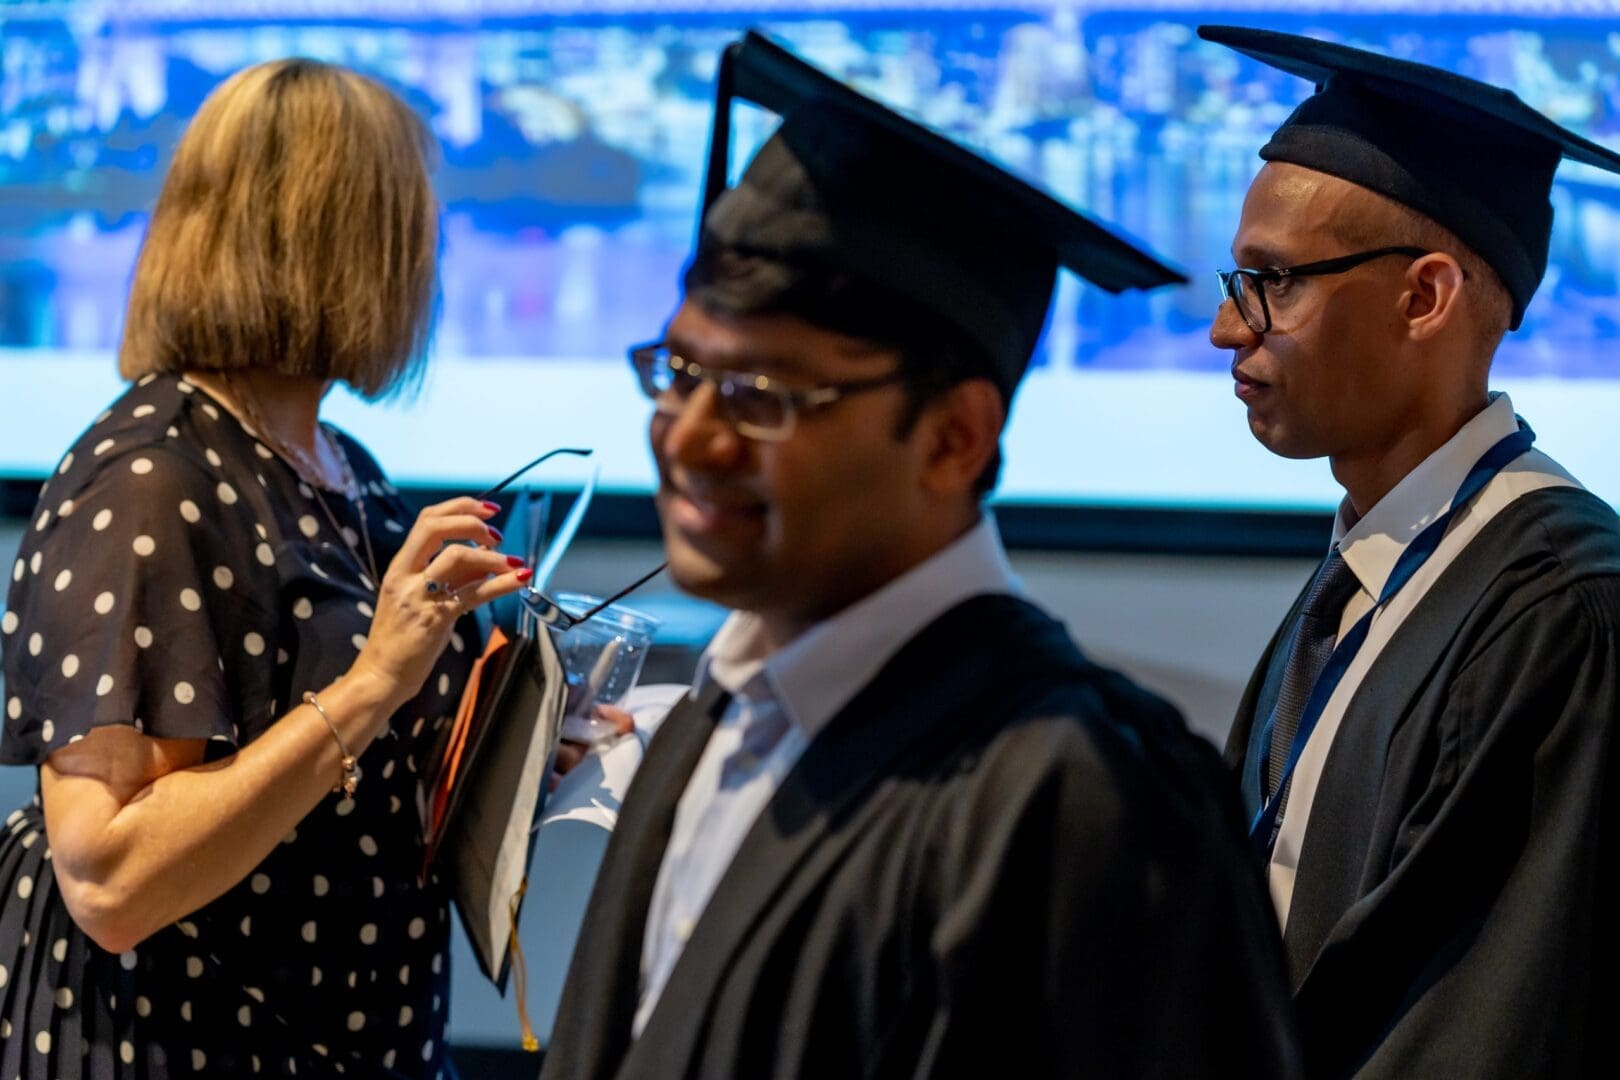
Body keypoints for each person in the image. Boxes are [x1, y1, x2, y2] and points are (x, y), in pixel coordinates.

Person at [540, 32, 1300, 1079]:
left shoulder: (1082, 800)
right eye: (679, 373)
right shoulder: (718, 717)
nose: (690, 436)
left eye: (764, 396)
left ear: (953, 438)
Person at [0, 60, 533, 1078]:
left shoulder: (342, 467)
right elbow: (111, 881)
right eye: (409, 227)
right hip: (192, 1041)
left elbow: (361, 771)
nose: (428, 261)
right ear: (340, 245)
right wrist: (376, 684)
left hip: (338, 1032)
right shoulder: (151, 482)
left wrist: (513, 735)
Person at [1201, 25, 1620, 1078]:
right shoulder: (1363, 577)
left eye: (1272, 282)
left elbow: (1499, 1023)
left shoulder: (1562, 614)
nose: (1225, 327)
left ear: (1424, 297)